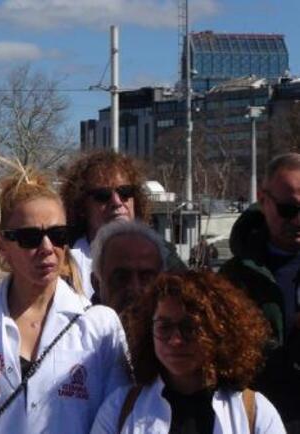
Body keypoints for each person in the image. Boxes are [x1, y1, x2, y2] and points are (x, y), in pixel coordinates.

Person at [0, 169, 129, 434]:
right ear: (2, 245)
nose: (46, 247)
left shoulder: (100, 326)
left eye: (58, 235)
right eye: (30, 237)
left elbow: (118, 422)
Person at [90, 271, 285, 434]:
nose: (175, 341)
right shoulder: (120, 410)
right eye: (164, 327)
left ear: (217, 331)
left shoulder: (254, 412)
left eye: (190, 328)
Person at [220, 153, 300, 432]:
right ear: (263, 199)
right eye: (289, 209)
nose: (298, 220)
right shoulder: (234, 277)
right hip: (258, 417)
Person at [60, 151, 185, 301]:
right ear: (81, 207)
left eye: (125, 192)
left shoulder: (163, 253)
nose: (117, 202)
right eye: (103, 195)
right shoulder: (63, 260)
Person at [90, 220, 166, 313]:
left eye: (146, 278)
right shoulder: (78, 326)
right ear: (97, 284)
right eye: (121, 278)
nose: (135, 289)